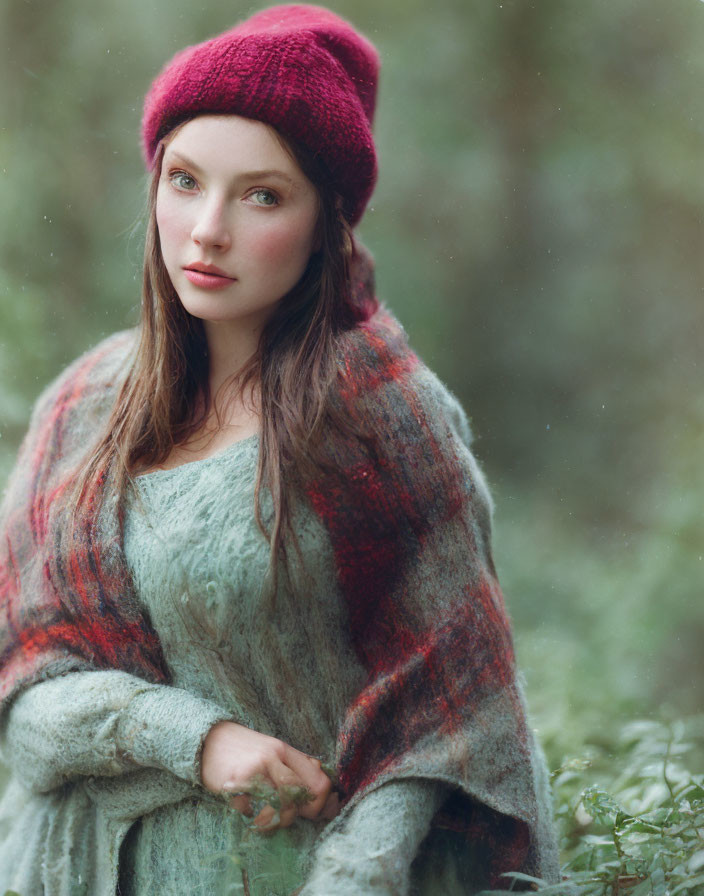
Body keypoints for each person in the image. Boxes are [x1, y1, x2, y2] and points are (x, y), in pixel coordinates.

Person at [0, 5, 562, 895]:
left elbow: (451, 725)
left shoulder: (382, 416)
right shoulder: (82, 408)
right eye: (184, 180)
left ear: (324, 221)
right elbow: (23, 703)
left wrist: (351, 880)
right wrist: (199, 742)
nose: (207, 228)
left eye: (262, 195)